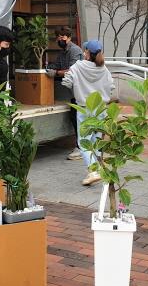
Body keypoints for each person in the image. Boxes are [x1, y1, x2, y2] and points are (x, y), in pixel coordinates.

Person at [62, 40, 113, 186]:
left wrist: (78, 88)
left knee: (83, 142)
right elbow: (111, 87)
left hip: (85, 108)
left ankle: (93, 171)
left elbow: (66, 82)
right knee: (96, 141)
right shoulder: (104, 69)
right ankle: (96, 170)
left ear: (87, 53)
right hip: (101, 108)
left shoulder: (77, 67)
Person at [46, 26, 84, 161]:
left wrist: (56, 73)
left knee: (78, 118)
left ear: (69, 37)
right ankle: (82, 146)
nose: (60, 39)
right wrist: (50, 68)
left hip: (81, 92)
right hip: (73, 93)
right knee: (74, 118)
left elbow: (72, 71)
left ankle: (81, 148)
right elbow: (57, 66)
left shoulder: (75, 51)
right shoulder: (62, 53)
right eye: (58, 37)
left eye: (63, 37)